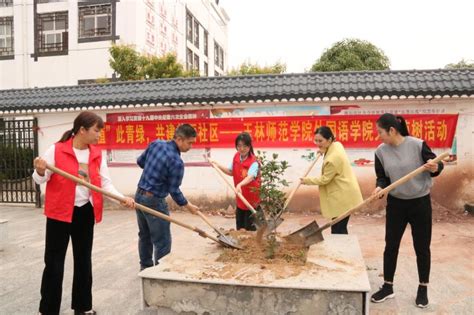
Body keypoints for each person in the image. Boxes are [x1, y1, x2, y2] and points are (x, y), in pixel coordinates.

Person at [33, 111, 135, 315]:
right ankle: (48, 310)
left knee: (83, 259)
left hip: (84, 211)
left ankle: (82, 307)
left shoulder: (96, 154)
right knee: (54, 262)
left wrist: (122, 197)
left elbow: (105, 183)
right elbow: (38, 179)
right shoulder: (56, 150)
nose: (99, 135)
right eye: (96, 130)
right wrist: (41, 170)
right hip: (59, 213)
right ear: (82, 130)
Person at [370, 113, 444, 308]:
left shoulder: (417, 145)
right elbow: (382, 177)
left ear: (392, 130)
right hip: (396, 204)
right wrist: (380, 187)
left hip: (420, 203)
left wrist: (434, 167)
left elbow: (437, 165)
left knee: (421, 247)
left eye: (380, 132)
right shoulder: (380, 151)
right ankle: (387, 286)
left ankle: (423, 288)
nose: (379, 136)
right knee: (391, 245)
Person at [135, 123, 200, 271]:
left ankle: (145, 268)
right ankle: (160, 273)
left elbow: (140, 162)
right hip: (154, 201)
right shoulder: (176, 162)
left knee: (144, 235)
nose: (190, 147)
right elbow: (174, 190)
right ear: (179, 139)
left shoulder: (156, 144)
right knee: (162, 241)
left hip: (139, 195)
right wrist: (188, 206)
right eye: (189, 143)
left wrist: (153, 171)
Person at [300, 126, 363, 234]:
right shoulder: (337, 145)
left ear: (329, 140)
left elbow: (324, 180)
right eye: (316, 140)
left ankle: (341, 250)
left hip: (342, 196)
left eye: (320, 141)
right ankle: (340, 249)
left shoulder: (332, 159)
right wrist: (323, 150)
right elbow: (329, 150)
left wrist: (306, 181)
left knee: (339, 229)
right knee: (338, 227)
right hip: (345, 191)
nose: (318, 143)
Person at [209, 132, 261, 231]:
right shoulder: (237, 157)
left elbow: (251, 176)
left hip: (251, 199)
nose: (241, 149)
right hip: (240, 197)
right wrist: (217, 165)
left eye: (245, 146)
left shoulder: (254, 161)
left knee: (250, 229)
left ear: (249, 146)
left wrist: (240, 184)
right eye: (239, 146)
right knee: (240, 228)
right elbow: (230, 171)